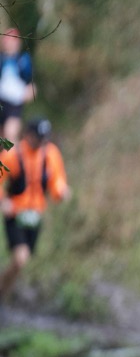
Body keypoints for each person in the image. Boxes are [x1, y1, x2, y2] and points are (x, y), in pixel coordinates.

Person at [1, 119, 69, 304]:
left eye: (44, 139)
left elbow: (57, 180)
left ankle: (3, 294)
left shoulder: (51, 154)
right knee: (20, 258)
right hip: (15, 214)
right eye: (38, 138)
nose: (41, 142)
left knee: (21, 262)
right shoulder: (13, 154)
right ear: (28, 135)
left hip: (35, 215)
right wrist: (3, 201)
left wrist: (61, 191)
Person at [0, 28, 35, 150]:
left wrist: (29, 92)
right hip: (1, 102)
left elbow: (31, 83)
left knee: (10, 134)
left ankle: (14, 160)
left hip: (15, 104)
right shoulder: (1, 59)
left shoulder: (23, 60)